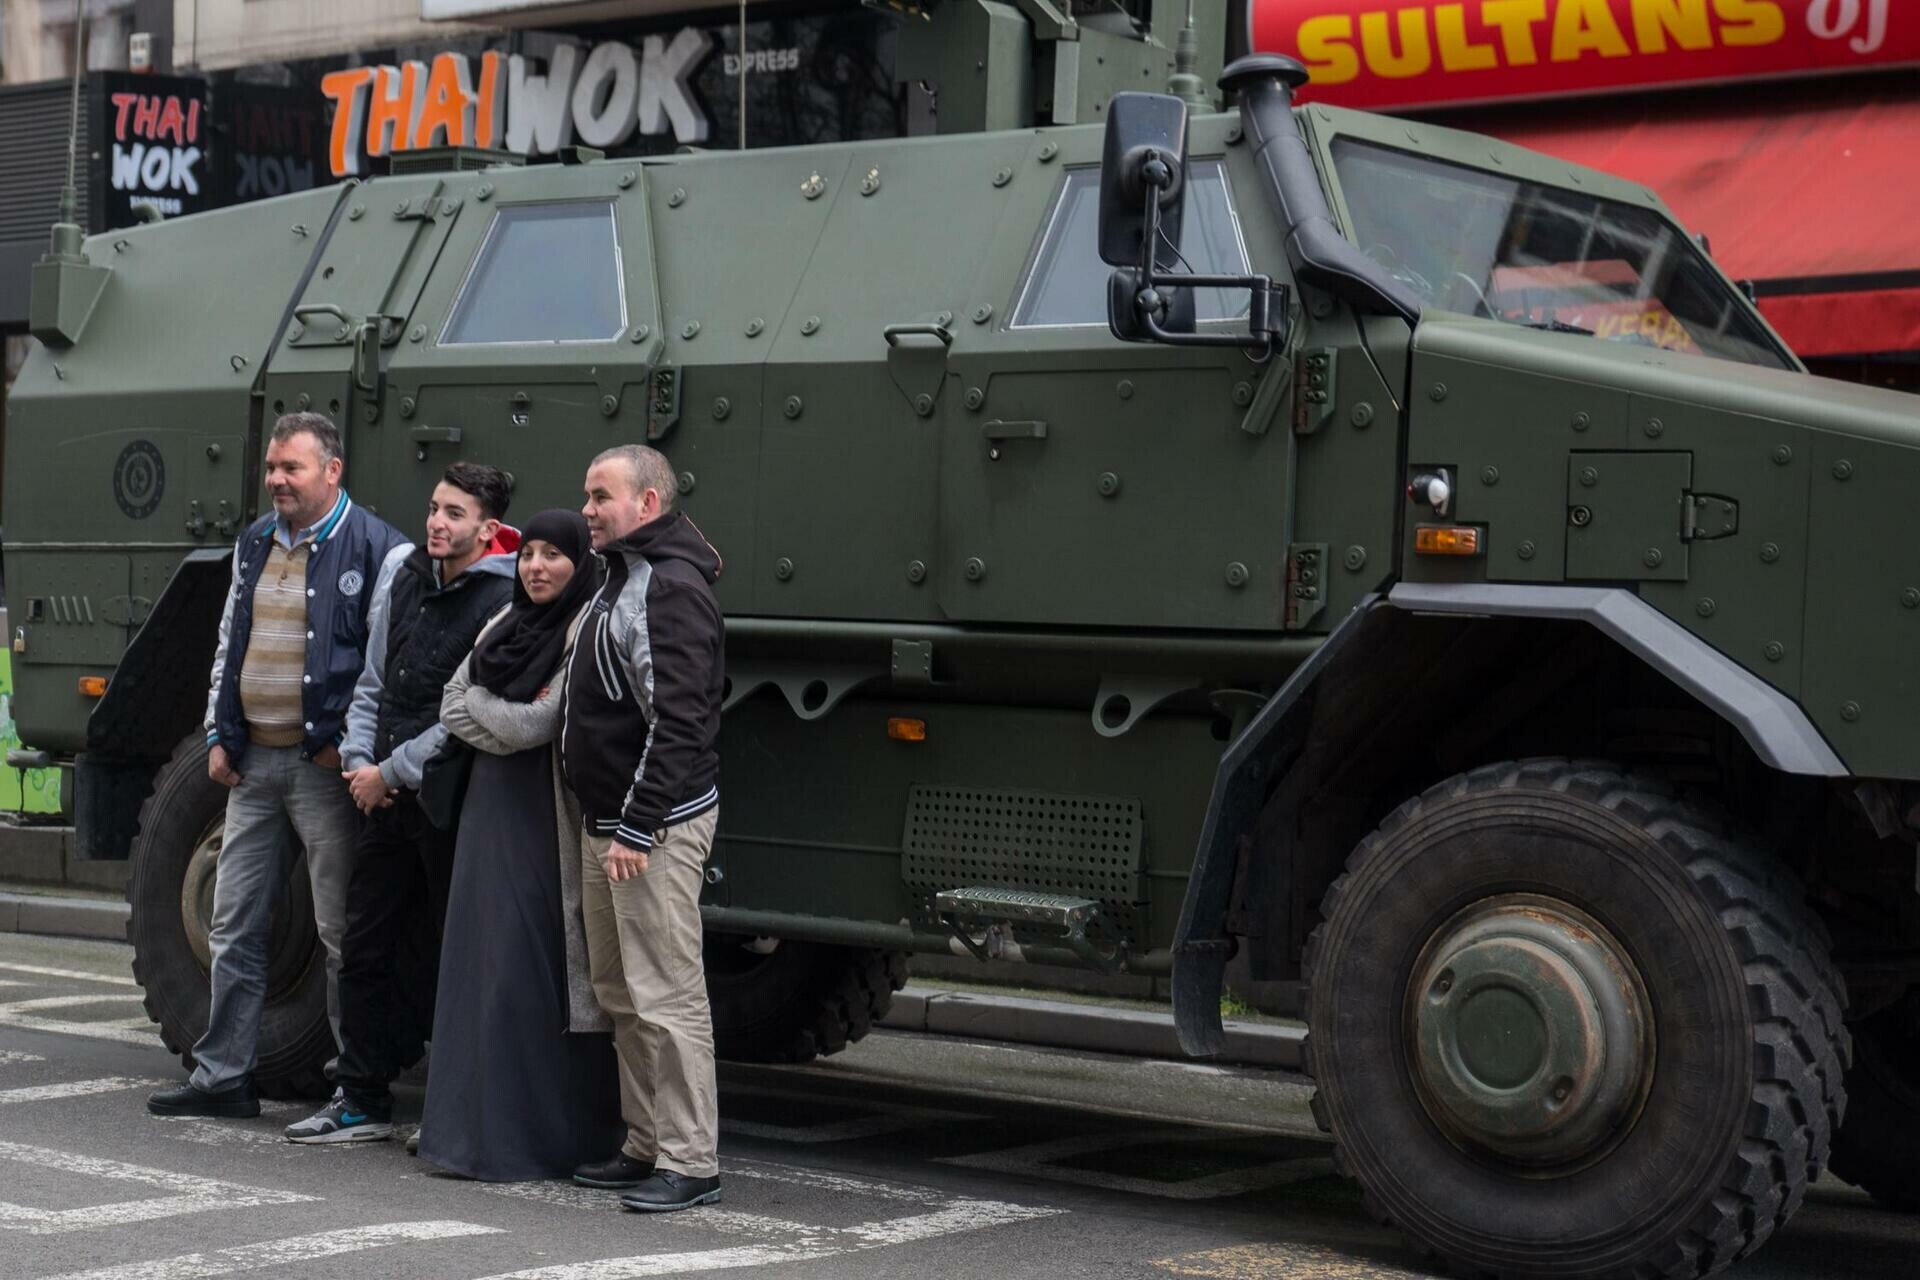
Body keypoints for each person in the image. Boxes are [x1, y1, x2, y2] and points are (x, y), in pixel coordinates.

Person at [148, 413, 407, 1119]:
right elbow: (230, 642)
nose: (276, 480)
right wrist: (219, 733)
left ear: (332, 470)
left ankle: (357, 1086)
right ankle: (223, 1077)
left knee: (340, 933)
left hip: (324, 770)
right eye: (271, 467)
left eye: (291, 467)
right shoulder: (255, 542)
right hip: (254, 763)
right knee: (233, 924)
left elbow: (386, 667)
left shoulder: (380, 549)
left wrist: (351, 747)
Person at [284, 462, 518, 1143]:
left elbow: (467, 716)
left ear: (488, 529)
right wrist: (360, 760)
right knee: (365, 945)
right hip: (382, 798)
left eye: (454, 514)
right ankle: (360, 1097)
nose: (437, 523)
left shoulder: (503, 599)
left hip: (448, 801)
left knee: (450, 952)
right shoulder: (406, 573)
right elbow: (374, 682)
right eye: (435, 508)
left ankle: (451, 1107)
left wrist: (389, 771)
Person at [415, 508, 624, 1179]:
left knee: (529, 969)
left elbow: (541, 722)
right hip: (488, 812)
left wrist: (485, 711)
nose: (536, 567)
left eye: (552, 555)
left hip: (544, 816)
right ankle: (466, 1135)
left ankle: (533, 1140)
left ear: (580, 563)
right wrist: (496, 714)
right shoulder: (504, 621)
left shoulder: (584, 626)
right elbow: (449, 701)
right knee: (477, 965)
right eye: (528, 553)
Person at [563, 445, 726, 1211]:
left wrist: (637, 827)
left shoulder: (670, 586)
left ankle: (691, 1162)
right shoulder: (621, 576)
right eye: (588, 495)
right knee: (622, 992)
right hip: (611, 823)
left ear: (648, 504)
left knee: (667, 994)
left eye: (602, 496)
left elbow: (683, 720)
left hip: (649, 830)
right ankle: (647, 1143)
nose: (588, 510)